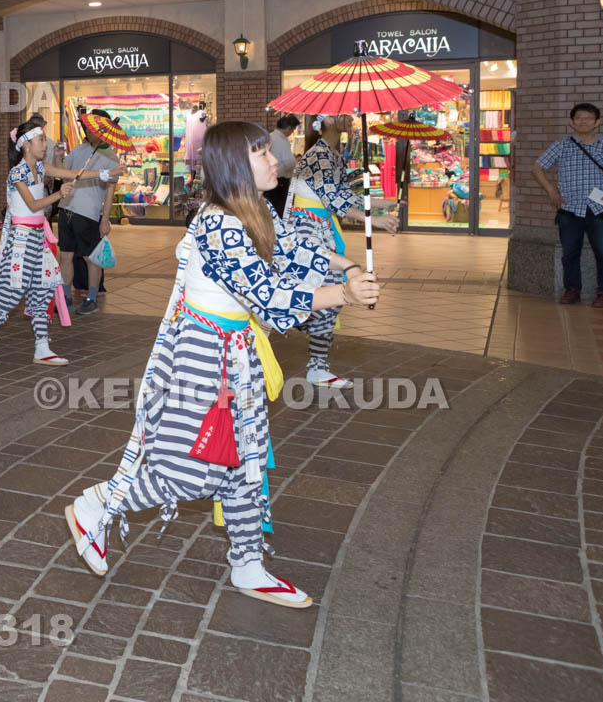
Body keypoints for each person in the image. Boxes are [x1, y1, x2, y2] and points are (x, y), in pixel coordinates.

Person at [65, 121, 378, 608]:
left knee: (245, 461)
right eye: (262, 153)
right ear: (235, 164)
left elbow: (297, 249)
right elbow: (270, 296)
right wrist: (343, 294)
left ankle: (249, 564)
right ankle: (99, 502)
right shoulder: (219, 224)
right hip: (203, 354)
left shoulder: (247, 213)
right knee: (194, 471)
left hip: (234, 350)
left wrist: (348, 268)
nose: (276, 159)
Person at [0, 122, 101, 367]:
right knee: (10, 294)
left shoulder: (40, 167)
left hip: (37, 239)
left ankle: (42, 348)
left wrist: (105, 174)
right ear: (26, 144)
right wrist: (59, 194)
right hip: (20, 241)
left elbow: (72, 173)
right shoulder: (17, 172)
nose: (45, 144)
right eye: (41, 140)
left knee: (42, 292)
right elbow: (33, 205)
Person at [285, 115, 399, 386]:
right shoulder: (319, 155)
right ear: (329, 120)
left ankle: (314, 358)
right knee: (329, 296)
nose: (349, 118)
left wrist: (383, 203)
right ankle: (290, 323)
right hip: (307, 230)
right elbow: (334, 198)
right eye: (344, 114)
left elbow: (343, 191)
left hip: (320, 227)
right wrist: (373, 218)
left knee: (328, 297)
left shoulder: (332, 154)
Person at [533, 102, 603, 307]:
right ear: (571, 122)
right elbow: (538, 168)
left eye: (588, 118)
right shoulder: (561, 145)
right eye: (579, 118)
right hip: (569, 207)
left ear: (597, 122)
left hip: (600, 207)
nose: (583, 121)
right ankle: (572, 289)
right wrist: (551, 190)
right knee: (570, 253)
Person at [62, 111, 122, 315]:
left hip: (87, 213)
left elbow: (110, 189)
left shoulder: (110, 157)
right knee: (65, 255)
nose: (86, 130)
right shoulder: (79, 149)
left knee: (90, 257)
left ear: (102, 129)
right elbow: (64, 171)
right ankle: (65, 297)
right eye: (85, 127)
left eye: (91, 127)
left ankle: (92, 297)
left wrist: (105, 219)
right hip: (66, 208)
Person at [264, 116, 300, 217]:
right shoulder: (281, 141)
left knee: (271, 209)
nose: (291, 132)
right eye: (292, 130)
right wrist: (296, 164)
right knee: (279, 210)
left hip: (271, 180)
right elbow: (288, 163)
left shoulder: (270, 136)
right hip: (280, 181)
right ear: (288, 128)